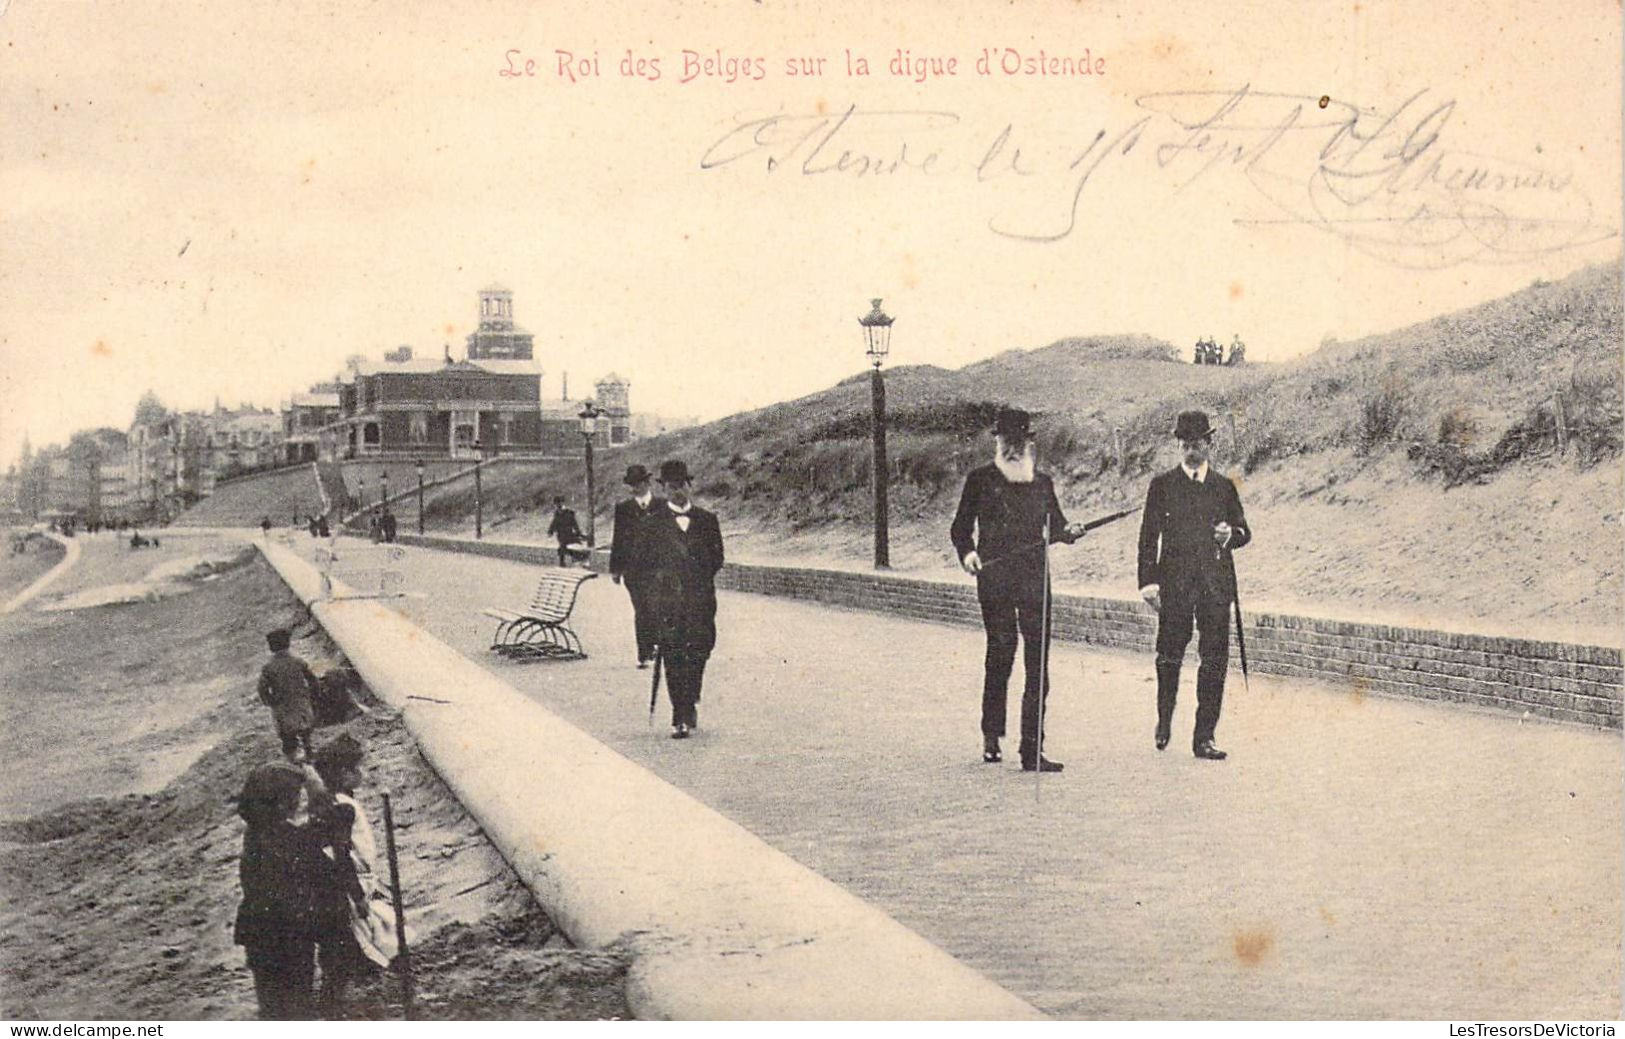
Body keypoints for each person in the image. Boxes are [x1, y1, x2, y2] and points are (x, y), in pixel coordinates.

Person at [949, 408, 1087, 772]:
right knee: (1001, 655)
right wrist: (969, 555)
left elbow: (1056, 527)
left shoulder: (1042, 484)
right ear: (997, 442)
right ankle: (992, 735)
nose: (1013, 447)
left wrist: (1069, 531)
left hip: (1034, 582)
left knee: (1038, 664)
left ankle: (1032, 749)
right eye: (1006, 441)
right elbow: (960, 529)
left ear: (1029, 443)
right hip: (994, 581)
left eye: (1019, 441)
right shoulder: (980, 480)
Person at [1137, 410, 1252, 761]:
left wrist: (1230, 535)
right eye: (1185, 444)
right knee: (1169, 657)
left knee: (1214, 660)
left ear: (1209, 444)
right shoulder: (1162, 486)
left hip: (1215, 587)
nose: (1191, 451)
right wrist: (1148, 583)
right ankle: (1164, 717)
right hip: (1174, 588)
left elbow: (1245, 532)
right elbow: (1147, 539)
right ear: (1179, 446)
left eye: (1198, 444)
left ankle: (1205, 737)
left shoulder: (1223, 486)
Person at [233, 759, 352, 1020]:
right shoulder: (276, 842)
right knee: (292, 1008)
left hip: (267, 937)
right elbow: (314, 865)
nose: (299, 799)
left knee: (278, 1008)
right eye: (294, 795)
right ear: (277, 802)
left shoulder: (263, 833)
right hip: (284, 939)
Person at [308, 735, 393, 1012]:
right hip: (348, 883)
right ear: (343, 774)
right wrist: (356, 895)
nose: (363, 773)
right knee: (349, 937)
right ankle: (333, 1000)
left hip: (352, 879)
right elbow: (341, 854)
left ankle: (354, 978)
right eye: (358, 768)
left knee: (359, 933)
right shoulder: (342, 808)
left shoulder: (337, 801)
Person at [643, 460, 724, 739]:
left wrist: (696, 580)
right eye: (671, 487)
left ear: (690, 487)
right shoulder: (652, 524)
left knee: (700, 653)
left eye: (682, 486)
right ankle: (681, 713)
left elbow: (717, 559)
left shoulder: (707, 520)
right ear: (663, 489)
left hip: (700, 603)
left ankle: (691, 699)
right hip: (668, 605)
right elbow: (646, 565)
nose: (677, 492)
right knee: (674, 656)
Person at [609, 464, 664, 668]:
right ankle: (645, 652)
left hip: (658, 569)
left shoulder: (662, 505)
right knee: (642, 609)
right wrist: (615, 569)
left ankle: (656, 645)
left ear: (647, 483)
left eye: (638, 484)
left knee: (656, 606)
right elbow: (618, 539)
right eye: (632, 485)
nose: (635, 488)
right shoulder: (623, 509)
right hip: (633, 571)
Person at [259, 628, 321, 762]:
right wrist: (313, 695)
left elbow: (262, 689)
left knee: (287, 735)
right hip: (301, 703)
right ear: (288, 644)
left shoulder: (268, 668)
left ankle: (292, 758)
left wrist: (271, 702)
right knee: (305, 730)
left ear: (271, 648)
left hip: (283, 707)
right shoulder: (298, 662)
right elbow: (313, 680)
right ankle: (309, 750)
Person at [546, 496, 584, 567]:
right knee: (562, 548)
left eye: (558, 504)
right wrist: (550, 531)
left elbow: (574, 523)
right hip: (561, 535)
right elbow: (554, 523)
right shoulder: (557, 514)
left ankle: (570, 559)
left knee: (562, 548)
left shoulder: (568, 513)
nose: (557, 506)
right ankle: (567, 560)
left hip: (568, 534)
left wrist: (578, 532)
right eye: (556, 504)